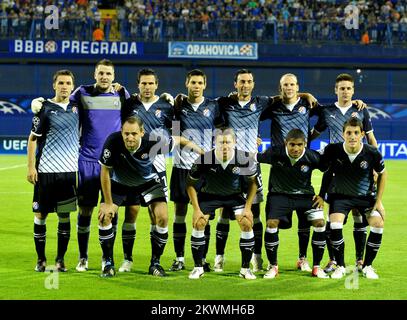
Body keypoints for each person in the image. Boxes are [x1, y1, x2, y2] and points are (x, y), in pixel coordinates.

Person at [31, 59, 130, 272]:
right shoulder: (82, 93)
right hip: (87, 161)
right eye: (101, 73)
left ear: (114, 76)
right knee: (85, 211)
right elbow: (60, 99)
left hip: (113, 164)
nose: (104, 77)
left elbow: (139, 108)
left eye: (108, 74)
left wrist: (167, 99)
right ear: (95, 74)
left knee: (111, 211)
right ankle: (83, 257)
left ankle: (107, 259)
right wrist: (40, 102)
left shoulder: (122, 94)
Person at [98, 116, 203, 277]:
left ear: (141, 132)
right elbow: (105, 171)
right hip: (119, 183)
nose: (129, 137)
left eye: (134, 133)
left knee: (163, 217)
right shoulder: (113, 141)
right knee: (104, 216)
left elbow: (179, 139)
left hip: (148, 182)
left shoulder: (153, 142)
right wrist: (108, 202)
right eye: (126, 134)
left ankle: (155, 263)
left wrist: (203, 154)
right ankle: (108, 263)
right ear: (122, 132)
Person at [311, 73, 378, 274]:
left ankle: (359, 260)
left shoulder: (361, 111)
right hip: (336, 168)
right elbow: (313, 134)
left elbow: (372, 139)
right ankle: (334, 260)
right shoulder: (327, 111)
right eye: (342, 88)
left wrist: (375, 166)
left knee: (359, 215)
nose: (345, 91)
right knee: (334, 217)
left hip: (360, 170)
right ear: (336, 90)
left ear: (353, 90)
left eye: (349, 88)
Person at [117, 68, 174, 273]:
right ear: (138, 84)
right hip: (131, 168)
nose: (147, 87)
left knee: (159, 217)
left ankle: (155, 262)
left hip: (157, 168)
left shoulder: (167, 106)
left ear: (157, 85)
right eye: (143, 83)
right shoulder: (130, 104)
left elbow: (175, 132)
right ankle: (127, 259)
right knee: (131, 213)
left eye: (151, 83)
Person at [169, 69, 223, 272]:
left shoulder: (213, 106)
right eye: (193, 82)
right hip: (182, 167)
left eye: (200, 83)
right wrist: (196, 147)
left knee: (204, 214)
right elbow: (174, 135)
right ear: (187, 83)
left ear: (204, 85)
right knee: (180, 213)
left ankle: (203, 259)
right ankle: (180, 258)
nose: (196, 86)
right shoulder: (178, 107)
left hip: (205, 170)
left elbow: (220, 132)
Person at [186, 127, 258, 280]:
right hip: (209, 196)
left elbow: (253, 184)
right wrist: (196, 209)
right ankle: (198, 267)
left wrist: (248, 208)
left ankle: (245, 269)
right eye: (221, 142)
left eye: (228, 142)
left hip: (234, 196)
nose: (224, 146)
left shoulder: (244, 159)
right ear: (214, 143)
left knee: (246, 223)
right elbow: (190, 184)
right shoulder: (205, 159)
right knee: (198, 223)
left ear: (235, 143)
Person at [257, 129, 329, 279]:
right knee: (271, 223)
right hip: (279, 195)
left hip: (305, 196)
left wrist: (322, 195)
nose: (296, 149)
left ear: (305, 144)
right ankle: (273, 266)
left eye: (299, 145)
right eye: (292, 145)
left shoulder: (312, 156)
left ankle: (315, 266)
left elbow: (328, 171)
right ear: (286, 143)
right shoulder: (275, 153)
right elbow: (255, 158)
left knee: (320, 222)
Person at [320, 118, 386, 280]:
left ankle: (367, 266)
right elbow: (326, 172)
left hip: (365, 197)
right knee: (335, 224)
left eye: (356, 133)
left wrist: (378, 201)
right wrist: (322, 195)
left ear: (362, 135)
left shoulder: (372, 153)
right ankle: (340, 266)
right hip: (340, 197)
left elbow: (383, 174)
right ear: (343, 134)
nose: (352, 136)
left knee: (378, 224)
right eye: (349, 133)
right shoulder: (333, 150)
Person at [27, 69, 79, 272]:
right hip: (46, 172)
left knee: (64, 216)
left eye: (68, 83)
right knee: (40, 215)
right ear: (54, 85)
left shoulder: (77, 107)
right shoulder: (44, 108)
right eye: (61, 83)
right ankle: (41, 260)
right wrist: (31, 167)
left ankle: (60, 260)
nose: (64, 86)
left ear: (72, 87)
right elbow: (32, 139)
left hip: (68, 172)